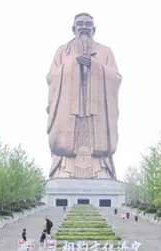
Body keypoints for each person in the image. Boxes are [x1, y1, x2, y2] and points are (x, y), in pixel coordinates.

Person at [47, 12, 120, 179]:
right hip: (70, 111)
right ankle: (64, 169)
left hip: (96, 114)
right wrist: (73, 64)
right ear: (73, 29)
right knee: (67, 154)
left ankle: (101, 170)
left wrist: (94, 65)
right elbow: (51, 77)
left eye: (88, 24)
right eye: (80, 24)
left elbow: (116, 78)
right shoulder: (62, 51)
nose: (84, 27)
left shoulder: (105, 51)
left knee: (98, 155)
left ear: (94, 29)